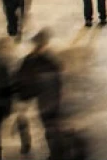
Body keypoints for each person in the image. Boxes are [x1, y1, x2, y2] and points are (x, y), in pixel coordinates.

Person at [14, 29, 66, 158]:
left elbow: (21, 78)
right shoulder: (47, 60)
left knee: (49, 126)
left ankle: (54, 152)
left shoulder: (31, 60)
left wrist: (22, 95)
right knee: (50, 126)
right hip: (49, 99)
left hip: (46, 99)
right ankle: (55, 152)